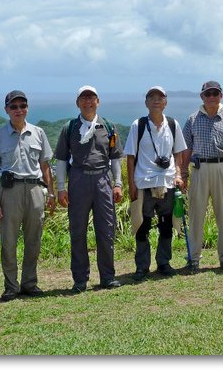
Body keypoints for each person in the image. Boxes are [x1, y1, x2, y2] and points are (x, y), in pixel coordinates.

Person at [0, 90, 55, 301]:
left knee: (34, 239)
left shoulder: (38, 133)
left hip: (35, 190)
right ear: (6, 109)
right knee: (9, 241)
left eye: (22, 106)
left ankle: (30, 283)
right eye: (13, 107)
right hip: (10, 191)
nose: (18, 110)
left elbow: (45, 166)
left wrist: (50, 193)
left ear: (27, 108)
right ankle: (11, 286)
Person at [55, 85, 124, 293]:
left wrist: (118, 183)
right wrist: (61, 187)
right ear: (78, 103)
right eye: (83, 98)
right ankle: (80, 279)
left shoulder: (108, 126)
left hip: (103, 179)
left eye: (91, 98)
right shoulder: (70, 128)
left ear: (98, 101)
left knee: (106, 230)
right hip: (78, 179)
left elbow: (115, 158)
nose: (88, 102)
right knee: (78, 231)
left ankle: (108, 277)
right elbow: (60, 159)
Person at [179, 81, 223, 273]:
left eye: (215, 93)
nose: (211, 97)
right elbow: (186, 149)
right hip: (199, 169)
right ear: (202, 97)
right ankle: (193, 259)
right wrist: (183, 173)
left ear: (220, 96)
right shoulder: (192, 119)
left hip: (222, 167)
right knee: (196, 215)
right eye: (207, 94)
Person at [124, 86, 188, 281]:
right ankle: (142, 266)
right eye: (152, 97)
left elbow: (179, 153)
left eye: (160, 97)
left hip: (168, 181)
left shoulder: (173, 124)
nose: (156, 100)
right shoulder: (139, 125)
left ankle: (163, 262)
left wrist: (178, 174)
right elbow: (130, 157)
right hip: (144, 182)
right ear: (146, 103)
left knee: (166, 224)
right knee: (143, 225)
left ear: (166, 102)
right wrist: (132, 185)